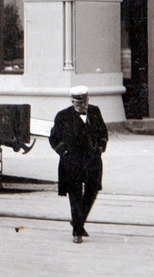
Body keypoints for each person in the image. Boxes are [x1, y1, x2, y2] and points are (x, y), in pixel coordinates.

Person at [49, 85, 108, 243]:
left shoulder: (95, 111)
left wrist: (101, 146)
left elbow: (103, 131)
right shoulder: (62, 116)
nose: (83, 106)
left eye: (85, 102)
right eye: (79, 103)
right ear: (72, 101)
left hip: (92, 161)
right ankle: (77, 232)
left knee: (92, 190)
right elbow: (53, 138)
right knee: (75, 195)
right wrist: (64, 152)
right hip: (72, 163)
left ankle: (77, 221)